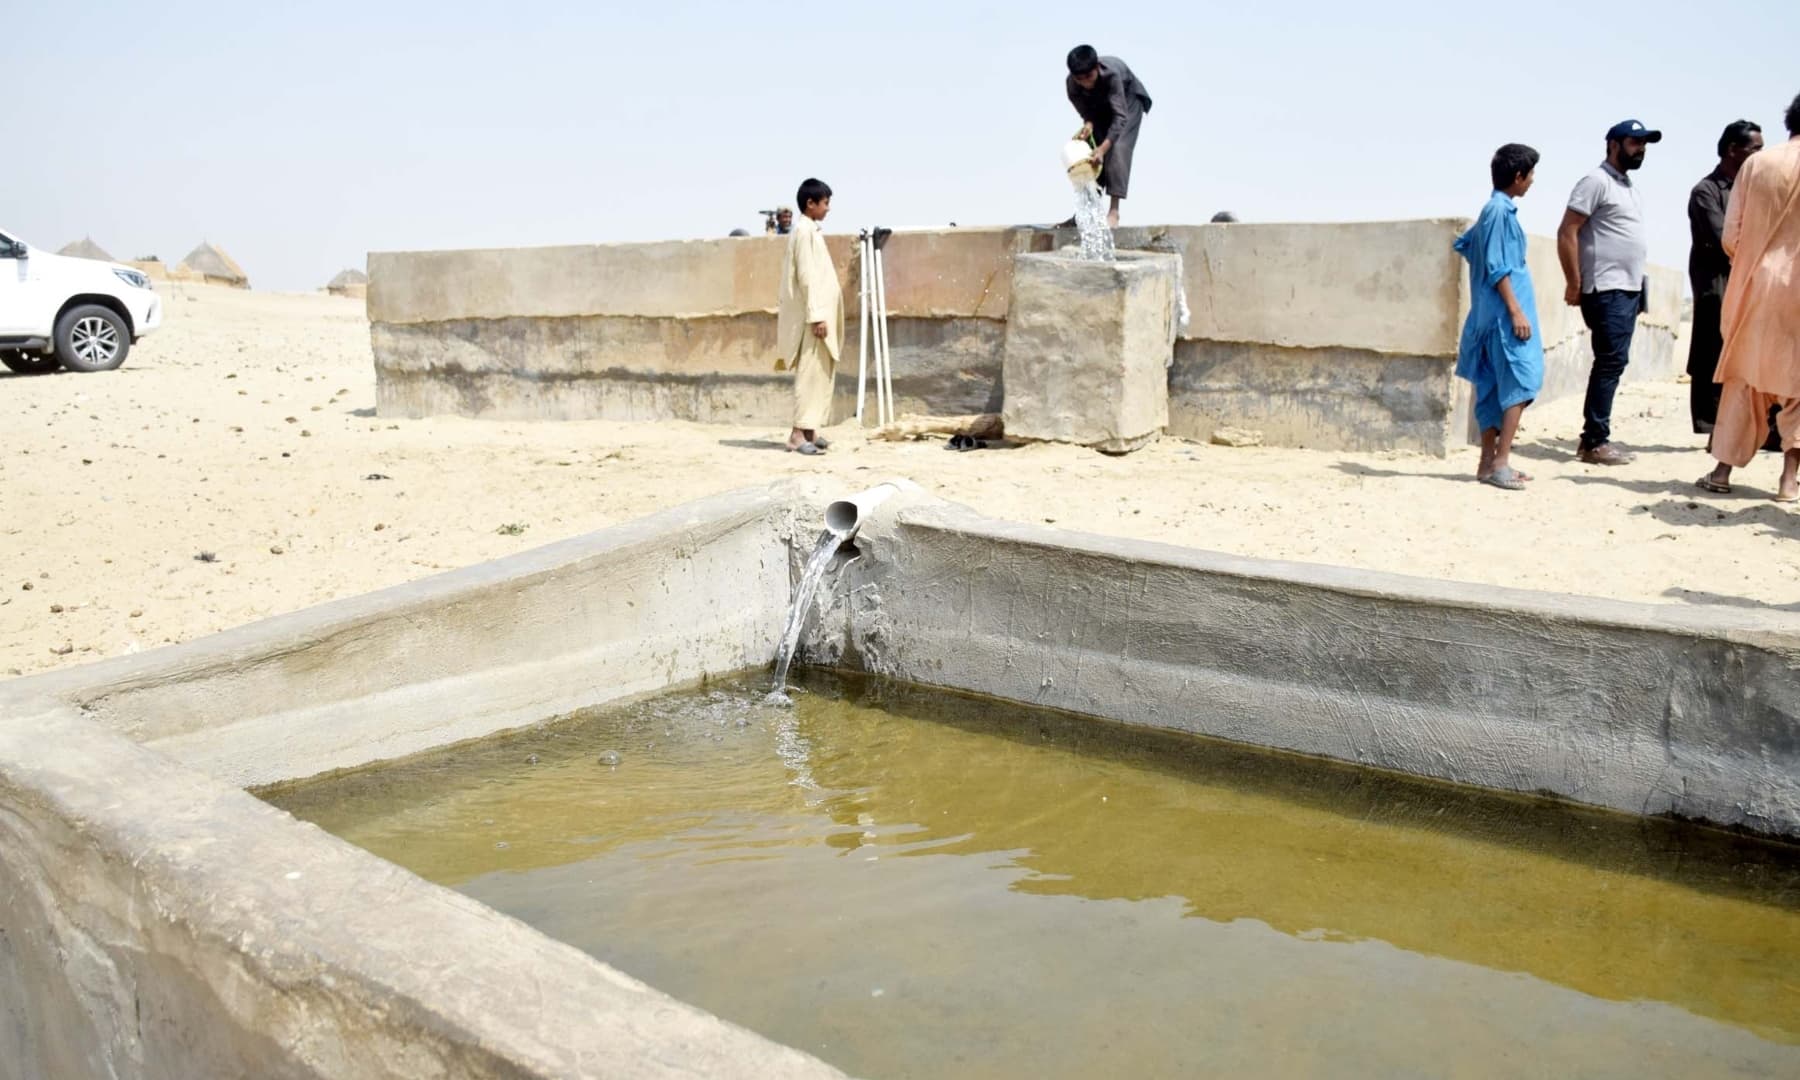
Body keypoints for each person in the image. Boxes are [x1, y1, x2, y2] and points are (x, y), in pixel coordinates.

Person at [1697, 93, 1800, 502]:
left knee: (1746, 379)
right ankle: (1788, 481)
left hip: (1757, 287)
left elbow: (1731, 237)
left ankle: (1722, 472)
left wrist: (1758, 260)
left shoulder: (1758, 163)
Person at [1557, 119, 1659, 466]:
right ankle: (1594, 442)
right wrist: (1574, 282)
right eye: (1634, 142)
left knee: (1614, 361)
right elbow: (1567, 231)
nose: (1641, 149)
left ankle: (1595, 438)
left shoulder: (1627, 185)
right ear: (1613, 144)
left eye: (1644, 143)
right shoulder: (1595, 182)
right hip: (1605, 286)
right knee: (1610, 361)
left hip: (1628, 287)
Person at [1454, 144, 1545, 491]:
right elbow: (1496, 266)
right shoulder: (1497, 211)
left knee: (1493, 388)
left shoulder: (1495, 212)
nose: (1532, 181)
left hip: (1491, 315)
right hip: (1504, 319)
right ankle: (1500, 462)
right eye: (1530, 174)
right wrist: (1515, 309)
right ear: (1518, 176)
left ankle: (1487, 464)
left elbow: (1467, 246)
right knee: (1523, 381)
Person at [1687, 120, 1765, 433]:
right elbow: (1725, 240)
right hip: (1716, 283)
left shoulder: (1752, 190)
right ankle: (1709, 425)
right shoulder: (1705, 191)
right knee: (1710, 351)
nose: (1760, 155)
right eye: (1754, 149)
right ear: (1733, 150)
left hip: (1746, 281)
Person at [776, 179, 843, 455]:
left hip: (819, 314)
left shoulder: (810, 230)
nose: (828, 209)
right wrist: (817, 316)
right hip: (812, 317)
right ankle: (796, 434)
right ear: (810, 204)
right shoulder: (803, 232)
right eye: (825, 203)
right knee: (810, 374)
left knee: (820, 374)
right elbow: (806, 276)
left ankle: (810, 430)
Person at [1065, 45, 1152, 228]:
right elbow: (1086, 113)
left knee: (1118, 148)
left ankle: (1114, 211)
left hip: (1127, 103)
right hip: (1101, 107)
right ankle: (1085, 212)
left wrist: (1103, 149)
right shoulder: (1072, 85)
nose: (1085, 83)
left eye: (1088, 77)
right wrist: (1088, 126)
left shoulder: (1112, 76)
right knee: (1089, 153)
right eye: (1079, 79)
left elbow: (1120, 117)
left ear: (1097, 67)